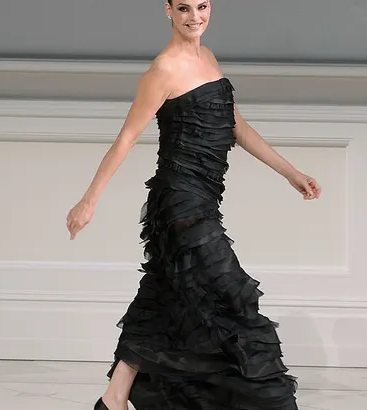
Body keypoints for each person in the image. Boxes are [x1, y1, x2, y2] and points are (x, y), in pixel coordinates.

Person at [66, 1, 321, 409]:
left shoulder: (208, 58)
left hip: (204, 198)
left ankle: (113, 399)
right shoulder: (163, 70)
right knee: (231, 294)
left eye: (202, 6)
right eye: (183, 8)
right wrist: (88, 200)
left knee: (164, 293)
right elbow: (126, 138)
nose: (194, 17)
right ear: (167, 10)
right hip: (179, 202)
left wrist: (290, 173)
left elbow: (237, 126)